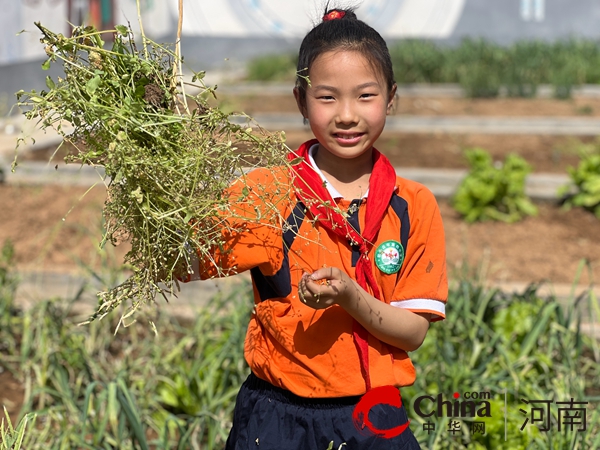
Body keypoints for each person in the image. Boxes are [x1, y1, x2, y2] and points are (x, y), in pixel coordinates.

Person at [189, 6, 447, 449]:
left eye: (365, 96)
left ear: (391, 98)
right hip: (275, 417)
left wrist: (350, 294)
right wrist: (162, 192)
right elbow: (186, 260)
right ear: (300, 102)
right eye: (327, 97)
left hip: (372, 415)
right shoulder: (268, 194)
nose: (346, 115)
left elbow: (413, 332)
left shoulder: (412, 206)